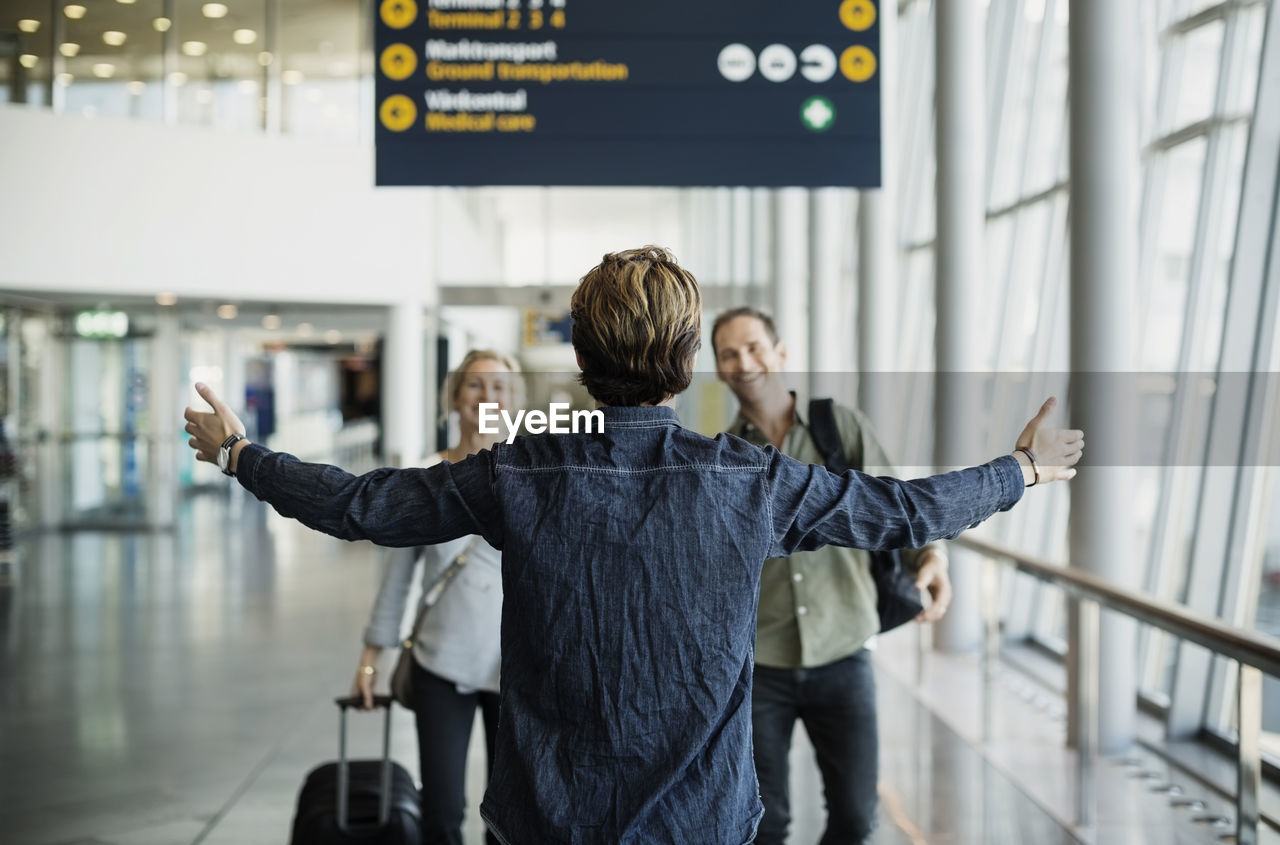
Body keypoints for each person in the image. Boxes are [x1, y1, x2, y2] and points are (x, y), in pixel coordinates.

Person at [184, 246, 1083, 845]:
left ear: (581, 354)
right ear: (690, 356)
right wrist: (1021, 470)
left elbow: (362, 504)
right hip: (702, 820)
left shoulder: (518, 473)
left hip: (546, 817)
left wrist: (240, 454)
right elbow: (901, 511)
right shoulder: (751, 481)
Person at [712, 306, 947, 844]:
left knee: (854, 816)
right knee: (762, 823)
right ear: (720, 368)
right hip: (761, 662)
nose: (744, 361)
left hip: (843, 649)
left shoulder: (839, 427)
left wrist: (930, 559)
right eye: (729, 353)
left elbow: (896, 506)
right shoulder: (725, 456)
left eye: (754, 347)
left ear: (781, 353)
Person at [352, 349, 521, 845]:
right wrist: (369, 661)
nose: (487, 396)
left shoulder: (534, 476)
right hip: (439, 662)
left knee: (509, 818)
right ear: (453, 397)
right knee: (441, 812)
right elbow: (397, 579)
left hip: (513, 669)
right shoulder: (425, 477)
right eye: (475, 385)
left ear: (516, 401)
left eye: (500, 387)